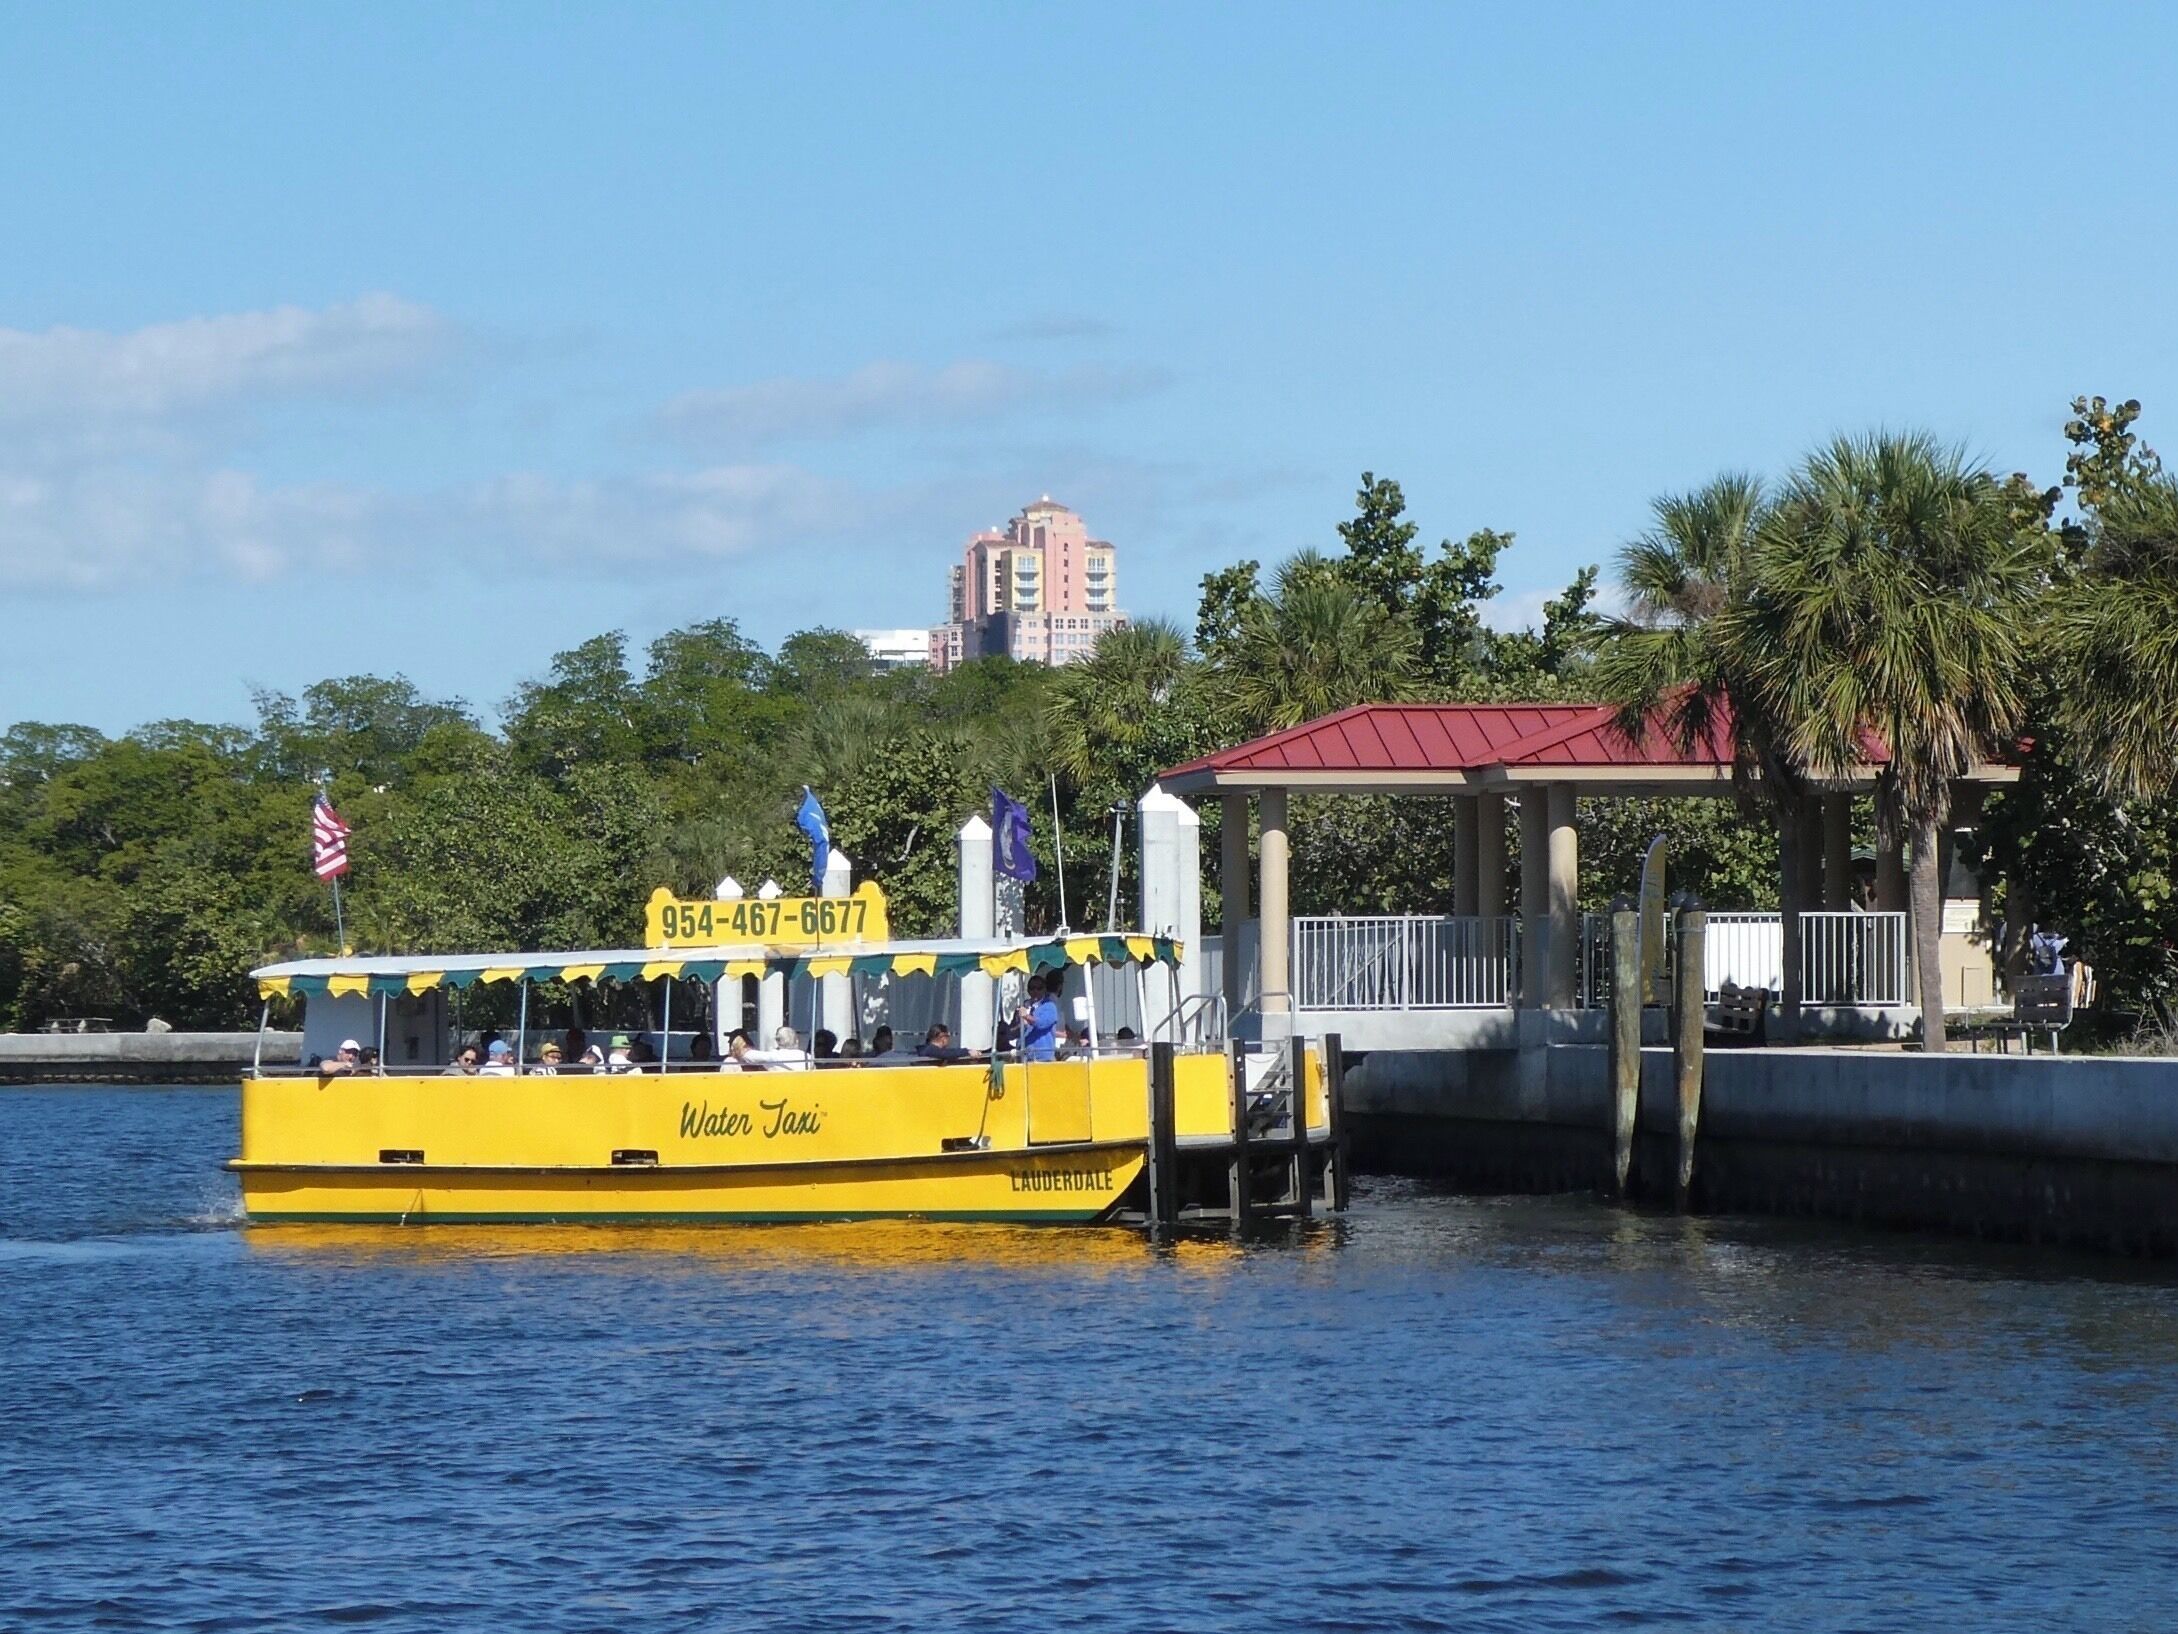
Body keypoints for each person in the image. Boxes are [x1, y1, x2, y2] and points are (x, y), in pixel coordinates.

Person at [1017, 975, 1060, 1062]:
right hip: (1025, 1056)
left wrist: (1026, 1016)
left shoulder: (1049, 1006)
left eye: (1039, 988)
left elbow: (1041, 1023)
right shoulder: (1024, 1006)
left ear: (1044, 989)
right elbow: (1015, 1029)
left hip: (1044, 1058)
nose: (1035, 991)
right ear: (1028, 990)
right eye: (1032, 988)